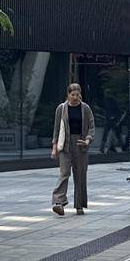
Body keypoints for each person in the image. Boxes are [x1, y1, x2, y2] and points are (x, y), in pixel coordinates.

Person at [50, 82, 95, 214]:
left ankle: (79, 205)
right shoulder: (61, 108)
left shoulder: (85, 108)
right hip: (65, 145)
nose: (75, 97)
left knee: (80, 175)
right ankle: (58, 202)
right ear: (68, 95)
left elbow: (92, 127)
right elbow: (56, 128)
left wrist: (88, 140)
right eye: (73, 94)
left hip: (81, 144)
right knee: (64, 173)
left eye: (77, 94)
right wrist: (54, 147)